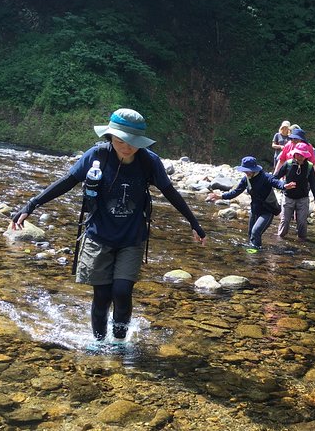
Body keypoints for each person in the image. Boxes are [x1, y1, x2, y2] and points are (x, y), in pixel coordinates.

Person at [11, 108, 207, 342]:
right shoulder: (97, 156)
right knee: (102, 296)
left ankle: (119, 342)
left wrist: (193, 222)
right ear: (110, 136)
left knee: (122, 292)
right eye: (120, 140)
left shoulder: (148, 162)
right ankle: (99, 342)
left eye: (133, 142)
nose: (127, 147)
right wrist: (30, 205)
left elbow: (170, 191)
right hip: (98, 236)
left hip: (131, 239)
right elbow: (67, 181)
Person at [206, 156, 295, 249]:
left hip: (267, 212)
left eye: (248, 170)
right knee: (250, 235)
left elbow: (276, 182)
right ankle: (253, 255)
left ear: (254, 169)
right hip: (254, 211)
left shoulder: (265, 177)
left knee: (255, 232)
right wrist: (220, 196)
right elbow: (236, 192)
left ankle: (256, 256)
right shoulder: (246, 179)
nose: (246, 172)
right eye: (244, 170)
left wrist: (284, 186)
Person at [274, 142, 315, 240]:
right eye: (298, 154)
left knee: (302, 222)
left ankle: (302, 241)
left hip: (303, 198)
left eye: (302, 155)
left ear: (306, 156)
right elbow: (276, 177)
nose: (300, 157)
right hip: (288, 197)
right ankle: (280, 239)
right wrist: (283, 186)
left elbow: (313, 183)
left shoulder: (309, 167)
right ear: (294, 154)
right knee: (285, 221)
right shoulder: (288, 164)